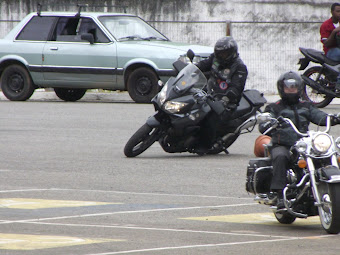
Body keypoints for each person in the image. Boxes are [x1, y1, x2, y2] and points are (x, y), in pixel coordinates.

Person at [258, 71, 340, 208]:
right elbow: (266, 118)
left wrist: (333, 118)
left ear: (299, 88)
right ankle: (278, 193)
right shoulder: (275, 107)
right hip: (283, 144)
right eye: (288, 87)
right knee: (280, 156)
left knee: (326, 154)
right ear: (282, 89)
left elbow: (319, 116)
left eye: (294, 87)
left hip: (304, 144)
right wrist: (267, 123)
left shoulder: (306, 106)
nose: (291, 90)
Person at [196, 36, 248, 152]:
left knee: (210, 117)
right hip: (208, 93)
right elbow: (202, 65)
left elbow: (236, 87)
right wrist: (190, 68)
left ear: (231, 53)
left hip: (227, 102)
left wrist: (226, 99)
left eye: (224, 54)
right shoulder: (215, 58)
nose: (221, 56)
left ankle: (204, 145)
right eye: (219, 53)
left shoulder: (240, 67)